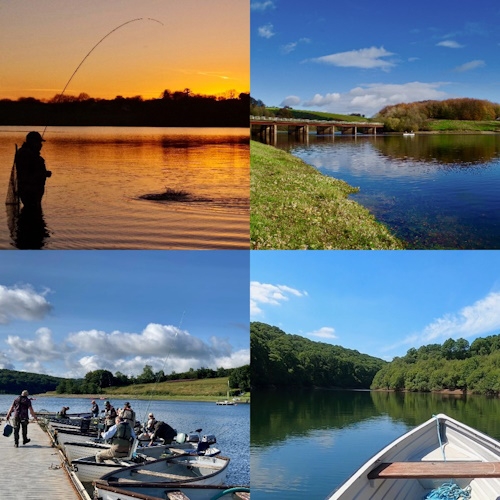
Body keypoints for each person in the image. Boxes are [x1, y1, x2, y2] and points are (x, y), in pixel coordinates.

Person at [15, 131, 52, 210]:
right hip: (30, 192)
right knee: (32, 212)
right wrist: (45, 173)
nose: (41, 145)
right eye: (39, 142)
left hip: (32, 191)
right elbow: (29, 173)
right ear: (33, 142)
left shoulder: (29, 153)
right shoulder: (26, 154)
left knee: (31, 212)